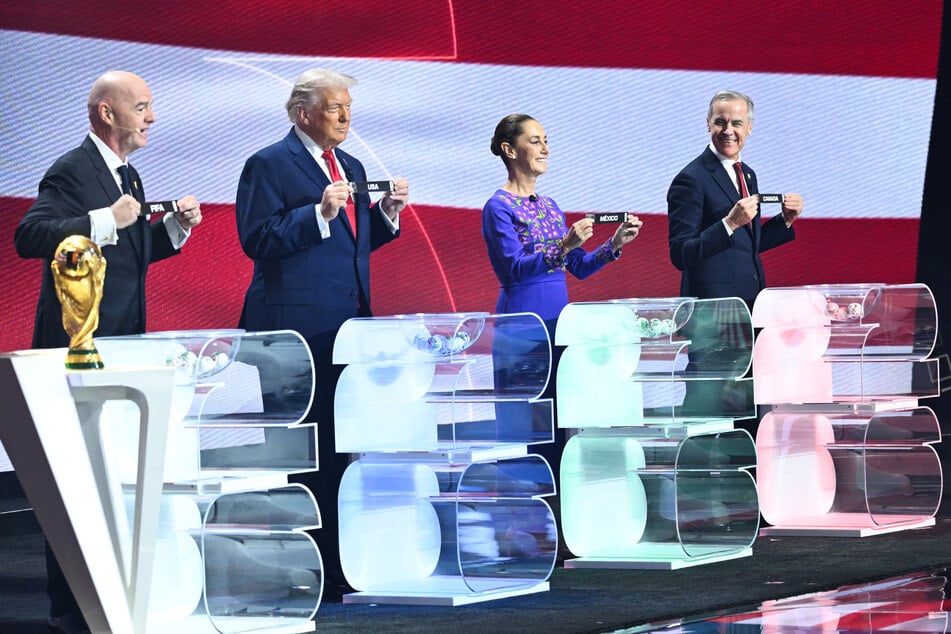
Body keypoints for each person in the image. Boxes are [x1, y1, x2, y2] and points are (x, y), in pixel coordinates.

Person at [14, 70, 202, 634]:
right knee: (75, 481)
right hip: (75, 351)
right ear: (106, 113)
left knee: (111, 478)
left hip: (121, 350)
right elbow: (30, 236)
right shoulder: (74, 169)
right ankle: (70, 608)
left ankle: (112, 599)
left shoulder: (129, 174)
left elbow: (127, 256)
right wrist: (102, 220)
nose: (151, 117)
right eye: (142, 107)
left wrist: (171, 230)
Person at [234, 68, 409, 601]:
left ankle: (338, 562)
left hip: (345, 330)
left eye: (349, 106)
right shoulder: (268, 163)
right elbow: (257, 239)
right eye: (335, 107)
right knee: (301, 455)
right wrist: (318, 212)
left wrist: (387, 218)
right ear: (302, 112)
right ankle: (300, 570)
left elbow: (346, 247)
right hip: (292, 332)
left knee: (342, 451)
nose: (346, 116)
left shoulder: (350, 166)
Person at [482, 113, 642, 336]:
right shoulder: (498, 207)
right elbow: (515, 269)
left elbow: (579, 266)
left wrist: (614, 244)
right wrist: (564, 247)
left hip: (559, 322)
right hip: (520, 324)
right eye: (535, 142)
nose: (545, 150)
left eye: (546, 141)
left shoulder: (550, 206)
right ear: (510, 150)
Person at [667, 89, 804, 309]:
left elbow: (745, 245)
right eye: (720, 122)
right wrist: (729, 223)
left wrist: (785, 219)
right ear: (708, 124)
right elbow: (681, 255)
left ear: (749, 127)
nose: (728, 131)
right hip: (712, 312)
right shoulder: (690, 179)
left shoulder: (747, 174)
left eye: (737, 123)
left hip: (750, 305)